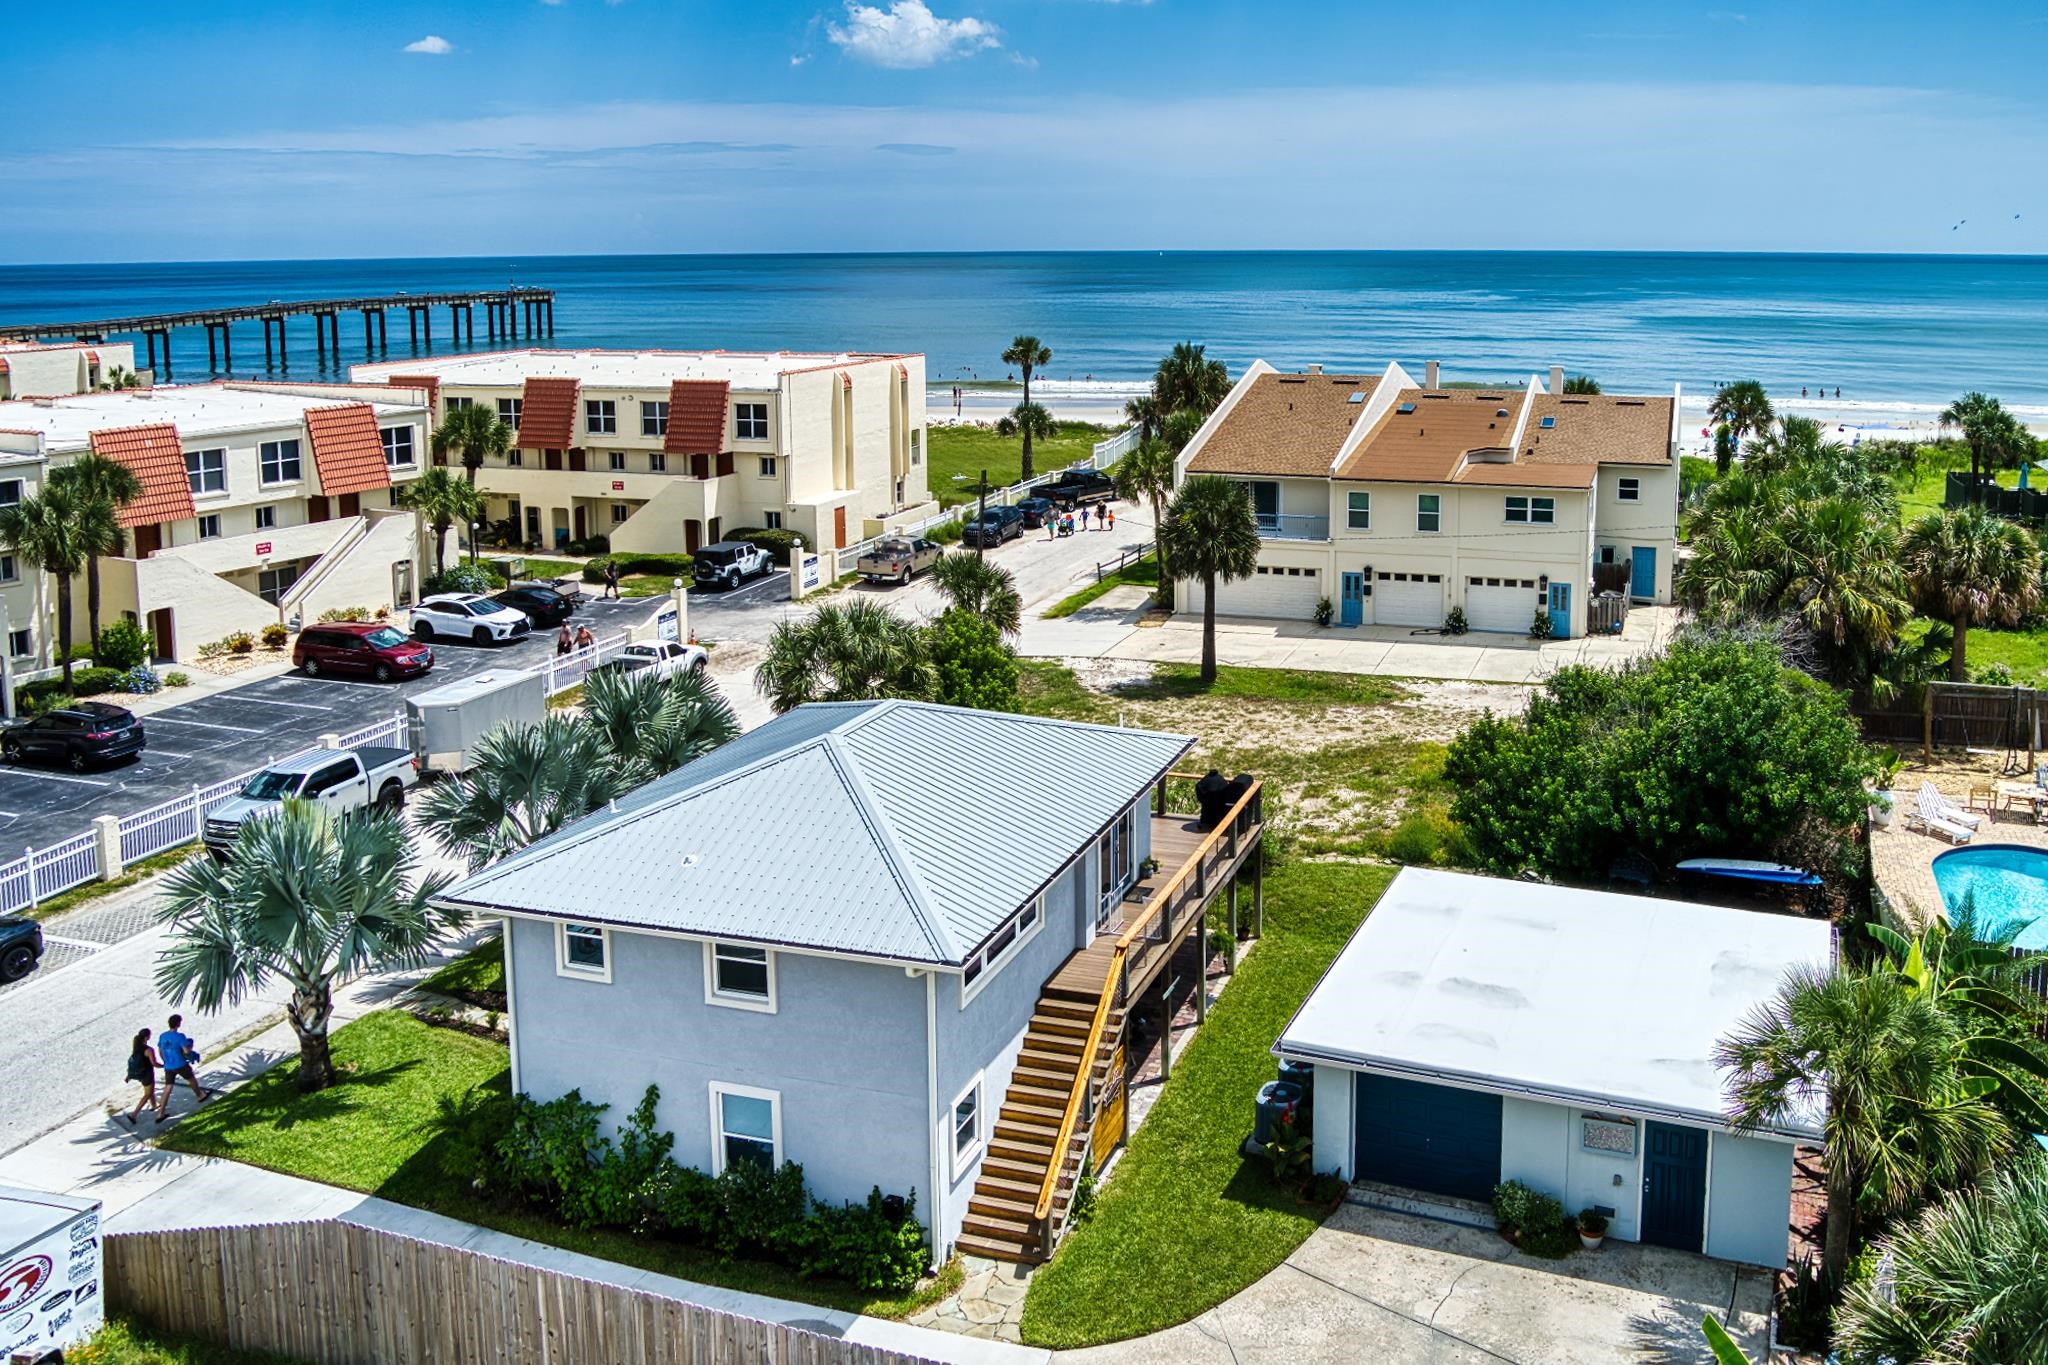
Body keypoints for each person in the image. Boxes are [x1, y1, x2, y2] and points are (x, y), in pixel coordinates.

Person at [154, 1014, 212, 1119]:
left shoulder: (163, 1036)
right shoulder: (180, 1036)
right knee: (191, 1079)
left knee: (168, 1087)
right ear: (178, 1024)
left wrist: (165, 1061)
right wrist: (190, 1049)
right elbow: (186, 1051)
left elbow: (160, 1051)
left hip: (168, 1066)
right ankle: (200, 1095)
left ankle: (161, 1113)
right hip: (181, 1064)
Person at [122, 1028, 159, 1127]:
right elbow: (154, 1063)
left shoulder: (136, 1047)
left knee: (150, 1091)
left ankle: (154, 1105)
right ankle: (134, 1115)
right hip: (148, 1074)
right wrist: (164, 1065)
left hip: (140, 1075)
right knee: (147, 1094)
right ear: (147, 1037)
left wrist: (128, 1076)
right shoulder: (149, 1050)